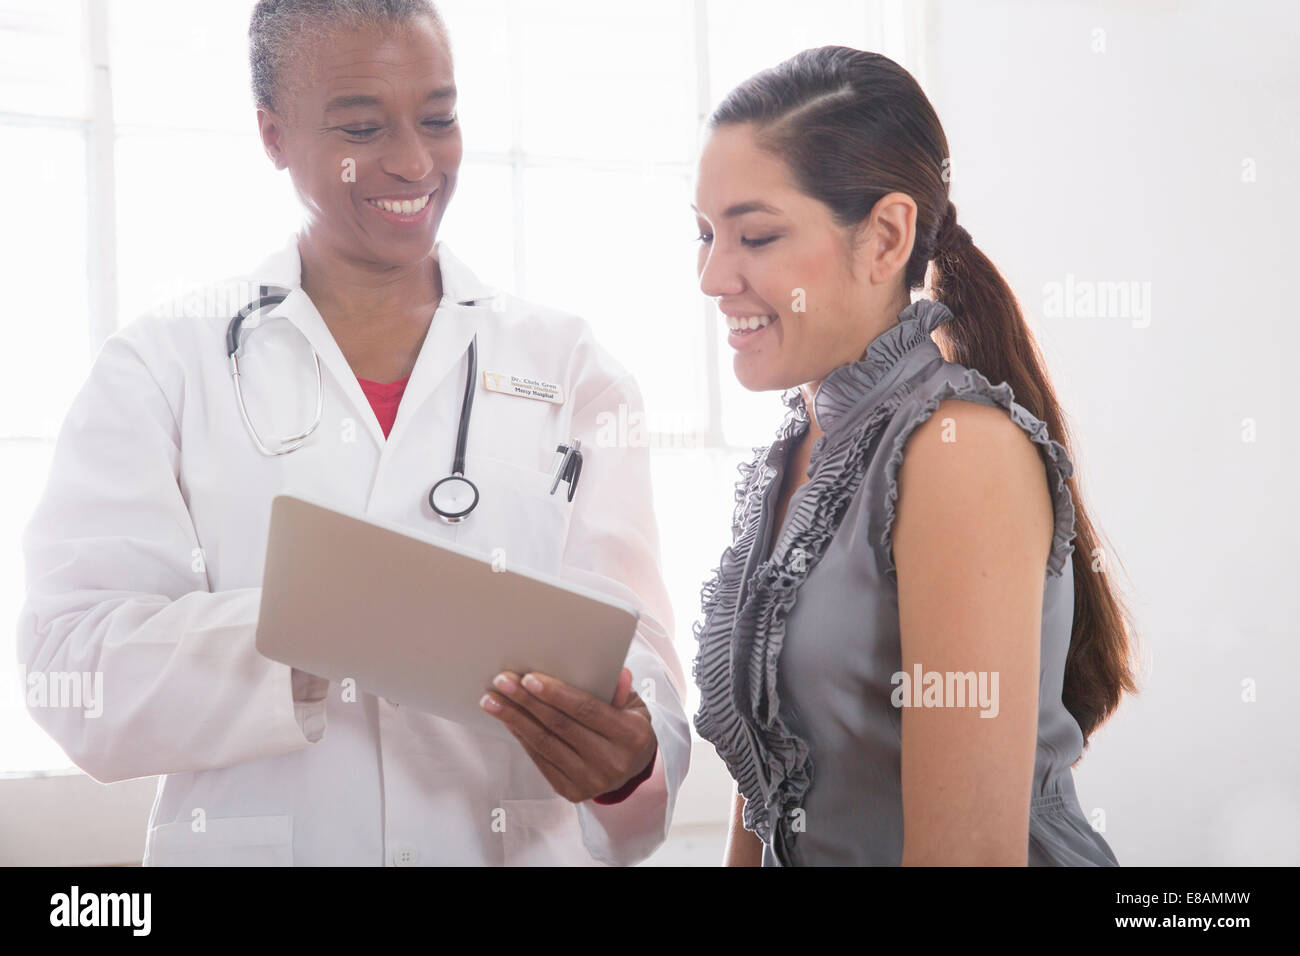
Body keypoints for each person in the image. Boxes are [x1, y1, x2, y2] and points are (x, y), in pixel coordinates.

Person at [16, 0, 688, 866]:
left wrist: (630, 763)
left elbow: (645, 666)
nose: (414, 161)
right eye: (362, 127)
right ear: (272, 135)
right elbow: (72, 669)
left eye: (439, 119)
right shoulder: (162, 365)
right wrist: (319, 632)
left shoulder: (571, 368)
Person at [690, 46, 1138, 866]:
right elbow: (765, 790)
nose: (713, 276)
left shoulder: (957, 455)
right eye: (705, 234)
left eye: (754, 235)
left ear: (887, 236)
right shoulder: (794, 452)